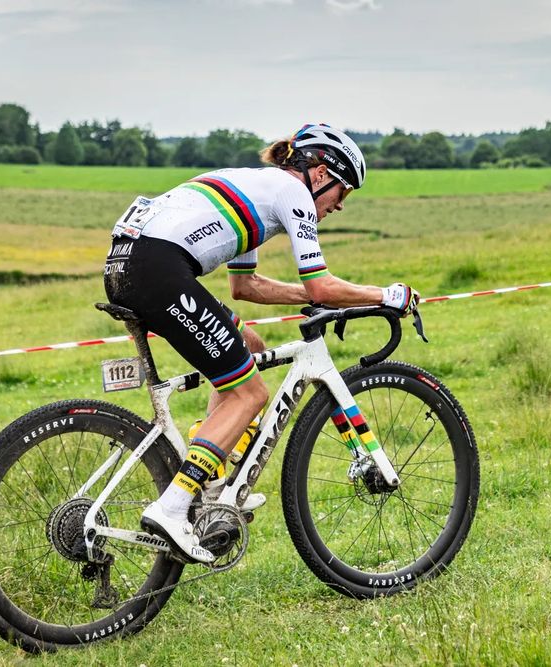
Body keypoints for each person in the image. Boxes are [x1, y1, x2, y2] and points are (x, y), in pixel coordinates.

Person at [103, 123, 419, 562]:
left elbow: (245, 286)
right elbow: (323, 285)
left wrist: (307, 297)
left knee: (247, 343)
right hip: (157, 269)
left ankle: (211, 484)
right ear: (322, 172)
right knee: (250, 393)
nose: (340, 206)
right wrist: (386, 295)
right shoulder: (292, 194)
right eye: (343, 193)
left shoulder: (254, 184)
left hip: (131, 264)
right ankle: (173, 507)